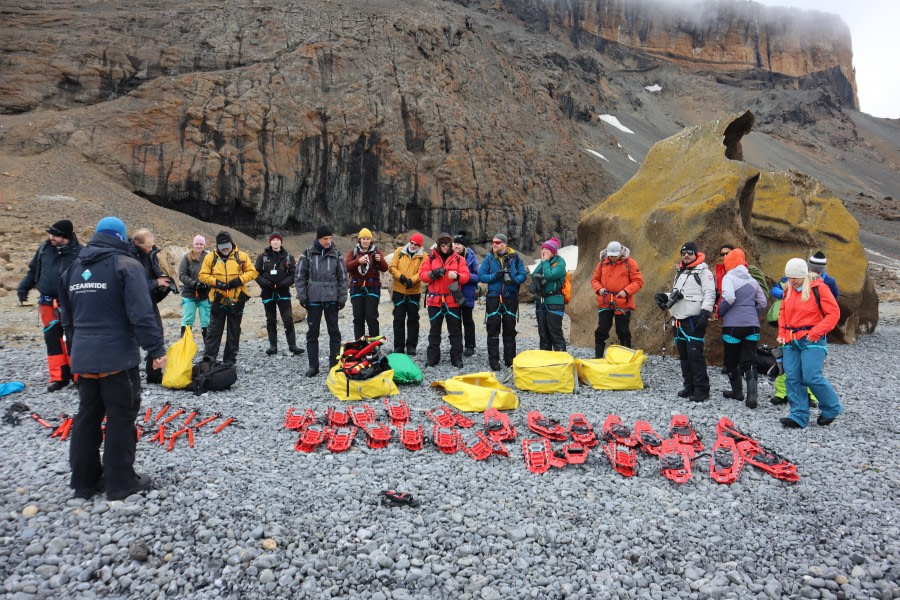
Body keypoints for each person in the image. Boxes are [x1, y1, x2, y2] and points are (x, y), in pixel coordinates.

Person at [59, 216, 166, 501]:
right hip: (117, 358)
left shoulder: (73, 268)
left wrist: (74, 351)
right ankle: (120, 481)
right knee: (121, 416)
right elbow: (141, 314)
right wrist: (156, 350)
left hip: (83, 356)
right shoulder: (126, 266)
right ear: (121, 238)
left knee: (87, 417)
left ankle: (83, 481)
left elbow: (66, 320)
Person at [17, 219, 83, 392]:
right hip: (47, 302)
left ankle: (79, 376)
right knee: (52, 340)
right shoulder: (44, 249)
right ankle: (59, 377)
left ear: (66, 237)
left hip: (70, 304)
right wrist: (24, 287)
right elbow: (33, 270)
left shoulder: (81, 253)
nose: (50, 237)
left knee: (74, 340)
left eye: (55, 235)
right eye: (50, 233)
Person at [776, 258, 843, 428]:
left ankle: (832, 408)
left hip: (812, 339)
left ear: (804, 275)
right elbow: (782, 312)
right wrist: (782, 333)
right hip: (791, 339)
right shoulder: (788, 290)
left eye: (795, 278)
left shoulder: (819, 288)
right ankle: (798, 416)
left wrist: (815, 332)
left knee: (811, 376)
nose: (791, 281)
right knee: (792, 377)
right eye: (789, 277)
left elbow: (833, 314)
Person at [655, 242, 716, 402]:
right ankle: (689, 386)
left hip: (694, 318)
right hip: (679, 319)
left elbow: (709, 293)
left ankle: (702, 390)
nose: (686, 255)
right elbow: (678, 294)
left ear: (696, 253)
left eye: (689, 252)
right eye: (683, 253)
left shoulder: (704, 272)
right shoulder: (680, 271)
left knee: (695, 355)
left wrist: (704, 314)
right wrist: (665, 296)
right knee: (684, 355)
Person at [197, 231, 258, 366]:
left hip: (237, 300)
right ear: (217, 245)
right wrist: (216, 282)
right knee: (213, 331)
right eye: (222, 245)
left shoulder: (241, 256)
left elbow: (253, 272)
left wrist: (239, 280)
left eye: (227, 244)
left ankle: (229, 361)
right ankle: (209, 360)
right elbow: (202, 275)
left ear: (232, 243)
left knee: (234, 331)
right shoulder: (210, 258)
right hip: (217, 300)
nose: (225, 248)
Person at [717, 248, 767, 408]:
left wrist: (720, 312)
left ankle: (737, 392)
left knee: (731, 361)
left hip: (732, 326)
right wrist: (752, 313)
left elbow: (729, 297)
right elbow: (763, 303)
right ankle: (752, 397)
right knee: (750, 359)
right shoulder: (752, 281)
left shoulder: (728, 277)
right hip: (752, 326)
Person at [296, 225, 348, 377]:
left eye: (330, 238)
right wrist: (302, 296)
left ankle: (334, 364)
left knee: (334, 332)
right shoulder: (307, 254)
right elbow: (300, 276)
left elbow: (343, 278)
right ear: (318, 239)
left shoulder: (336, 254)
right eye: (325, 239)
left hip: (332, 299)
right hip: (314, 299)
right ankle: (313, 366)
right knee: (312, 333)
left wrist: (342, 297)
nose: (328, 241)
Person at [419, 232, 471, 368]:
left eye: (448, 245)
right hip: (434, 300)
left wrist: (458, 276)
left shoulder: (459, 259)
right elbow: (422, 276)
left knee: (455, 331)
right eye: (443, 245)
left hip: (452, 300)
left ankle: (457, 358)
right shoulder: (430, 259)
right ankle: (432, 358)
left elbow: (466, 276)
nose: (446, 248)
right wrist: (433, 274)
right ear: (438, 245)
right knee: (434, 331)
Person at [130, 228, 174, 384]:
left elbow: (153, 272)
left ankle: (154, 374)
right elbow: (134, 284)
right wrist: (155, 282)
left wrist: (164, 282)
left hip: (149, 299)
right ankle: (130, 375)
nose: (151, 248)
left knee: (156, 333)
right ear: (136, 243)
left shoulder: (151, 253)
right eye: (148, 246)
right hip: (134, 302)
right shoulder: (129, 257)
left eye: (152, 245)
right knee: (133, 337)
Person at [478, 232, 526, 369]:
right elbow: (481, 276)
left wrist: (513, 281)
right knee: (492, 330)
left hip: (510, 297)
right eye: (493, 242)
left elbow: (523, 274)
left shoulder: (515, 258)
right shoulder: (489, 258)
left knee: (510, 330)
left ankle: (509, 360)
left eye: (497, 242)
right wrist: (495, 276)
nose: (494, 244)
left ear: (504, 244)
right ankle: (494, 362)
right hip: (493, 297)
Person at [590, 240, 644, 357]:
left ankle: (627, 358)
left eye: (615, 255)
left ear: (621, 252)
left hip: (623, 302)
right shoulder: (602, 263)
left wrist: (626, 291)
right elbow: (595, 280)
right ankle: (598, 357)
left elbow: (638, 281)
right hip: (605, 301)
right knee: (601, 330)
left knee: (623, 331)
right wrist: (599, 289)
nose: (613, 257)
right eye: (611, 255)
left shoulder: (630, 263)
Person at [255, 231, 303, 356]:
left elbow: (293, 274)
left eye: (278, 240)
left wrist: (284, 283)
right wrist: (266, 283)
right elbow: (256, 274)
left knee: (287, 319)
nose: (275, 242)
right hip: (268, 292)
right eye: (273, 240)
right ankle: (272, 346)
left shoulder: (288, 257)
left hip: (283, 292)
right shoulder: (262, 257)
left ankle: (292, 346)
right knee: (270, 319)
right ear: (270, 242)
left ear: (281, 242)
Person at [345, 228, 389, 339]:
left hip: (372, 287)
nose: (365, 241)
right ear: (359, 240)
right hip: (357, 287)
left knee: (371, 316)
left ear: (371, 240)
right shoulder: (353, 252)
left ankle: (375, 345)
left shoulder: (377, 251)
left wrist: (380, 260)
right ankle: (360, 344)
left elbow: (384, 268)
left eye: (368, 239)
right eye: (363, 239)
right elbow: (347, 267)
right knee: (358, 318)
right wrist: (358, 262)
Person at [388, 233, 425, 355]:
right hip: (399, 290)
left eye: (416, 244)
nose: (413, 246)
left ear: (420, 246)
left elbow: (422, 272)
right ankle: (398, 346)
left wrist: (412, 281)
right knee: (398, 318)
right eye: (412, 243)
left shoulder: (423, 256)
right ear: (409, 241)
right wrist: (401, 277)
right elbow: (392, 267)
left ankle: (411, 346)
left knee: (413, 319)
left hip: (414, 292)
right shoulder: (399, 251)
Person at [531, 237, 567, 352]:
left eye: (546, 250)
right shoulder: (545, 262)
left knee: (555, 334)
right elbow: (533, 275)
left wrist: (545, 261)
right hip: (541, 302)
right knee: (543, 335)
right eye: (543, 249)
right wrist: (543, 262)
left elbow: (550, 275)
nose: (543, 252)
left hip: (554, 302)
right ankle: (546, 362)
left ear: (553, 251)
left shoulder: (560, 264)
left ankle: (561, 362)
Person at [454, 232, 482, 359]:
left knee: (468, 320)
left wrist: (463, 277)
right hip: (454, 293)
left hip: (467, 293)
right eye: (455, 243)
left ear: (464, 246)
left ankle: (470, 346)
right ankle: (457, 345)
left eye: (459, 244)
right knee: (455, 321)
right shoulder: (450, 256)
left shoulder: (471, 257)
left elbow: (478, 277)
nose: (456, 246)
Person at [178, 235, 210, 341]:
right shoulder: (187, 257)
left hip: (205, 294)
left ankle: (209, 349)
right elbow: (182, 275)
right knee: (188, 319)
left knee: (206, 320)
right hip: (189, 294)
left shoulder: (209, 257)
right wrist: (194, 284)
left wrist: (207, 284)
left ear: (204, 245)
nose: (199, 246)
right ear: (193, 245)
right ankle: (185, 345)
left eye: (201, 244)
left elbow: (214, 273)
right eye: (197, 244)